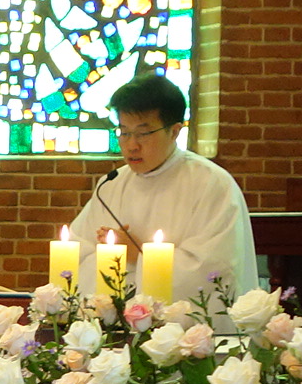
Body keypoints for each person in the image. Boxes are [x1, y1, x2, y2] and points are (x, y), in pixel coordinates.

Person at [67, 73, 256, 305]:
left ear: (174, 131)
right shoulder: (111, 185)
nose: (131, 145)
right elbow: (76, 255)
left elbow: (215, 271)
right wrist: (111, 254)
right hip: (114, 322)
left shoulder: (212, 184)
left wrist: (138, 254)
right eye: (124, 132)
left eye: (143, 134)